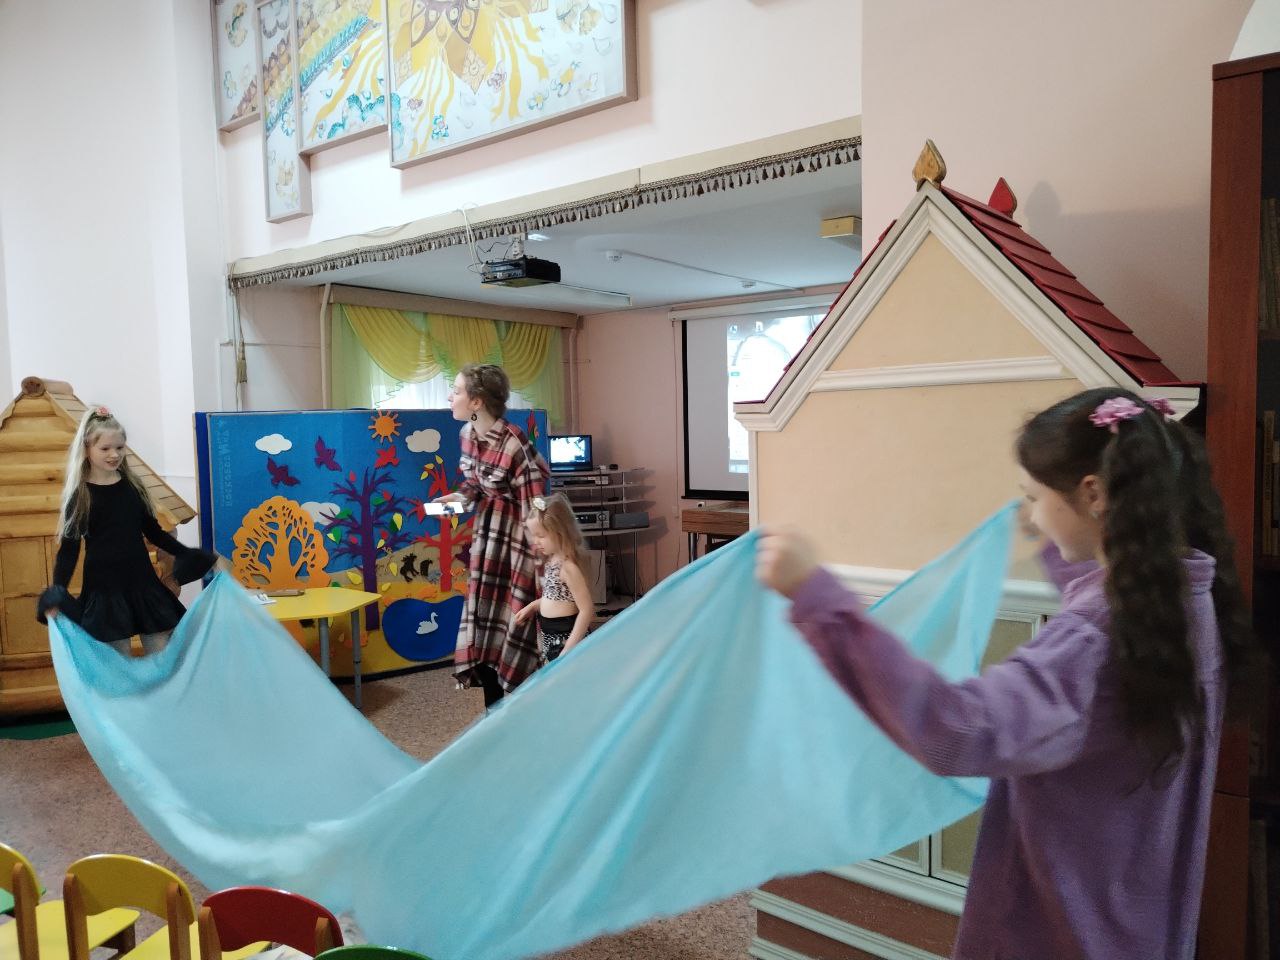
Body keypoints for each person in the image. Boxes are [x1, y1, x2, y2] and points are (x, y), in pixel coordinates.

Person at [756, 387, 1253, 959]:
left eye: (1035, 497)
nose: (1032, 514)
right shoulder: (1186, 601)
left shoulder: (1094, 640)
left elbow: (958, 730)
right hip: (1137, 918)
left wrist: (816, 598)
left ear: (1093, 493)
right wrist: (1053, 542)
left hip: (1065, 930)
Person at [37, 406, 216, 655]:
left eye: (120, 447)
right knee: (116, 660)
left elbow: (154, 532)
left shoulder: (132, 486)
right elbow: (69, 551)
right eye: (105, 449)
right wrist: (58, 591)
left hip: (142, 583)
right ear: (87, 449)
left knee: (164, 654)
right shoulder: (80, 496)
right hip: (104, 589)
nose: (114, 454)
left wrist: (187, 554)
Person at [434, 364, 548, 707]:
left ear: (477, 402)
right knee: (483, 624)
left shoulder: (514, 443)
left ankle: (519, 712)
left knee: (514, 623)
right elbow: (476, 485)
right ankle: (492, 712)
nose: (450, 397)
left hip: (517, 547)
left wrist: (545, 575)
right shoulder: (466, 435)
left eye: (456, 391)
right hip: (487, 542)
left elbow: (536, 507)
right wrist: (458, 498)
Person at [514, 493, 594, 663]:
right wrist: (533, 606)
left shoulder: (568, 567)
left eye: (541, 536)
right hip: (551, 638)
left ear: (561, 532)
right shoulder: (552, 560)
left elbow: (587, 610)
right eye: (534, 536)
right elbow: (555, 597)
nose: (536, 541)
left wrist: (568, 649)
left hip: (566, 639)